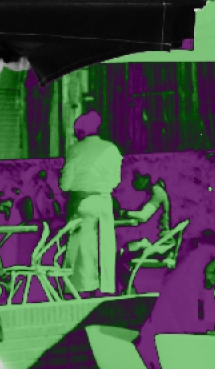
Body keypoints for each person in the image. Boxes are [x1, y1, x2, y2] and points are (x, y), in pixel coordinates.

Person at [59, 110, 159, 296]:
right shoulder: (112, 149)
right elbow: (115, 181)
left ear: (81, 132)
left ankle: (83, 292)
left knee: (83, 251)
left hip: (83, 203)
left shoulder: (75, 150)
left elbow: (65, 184)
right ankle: (103, 290)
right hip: (105, 203)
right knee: (104, 248)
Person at [137, 234, 215, 369]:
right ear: (200, 268)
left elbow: (214, 316)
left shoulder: (201, 288)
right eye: (213, 272)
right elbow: (189, 325)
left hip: (176, 351)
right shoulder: (182, 287)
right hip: (159, 356)